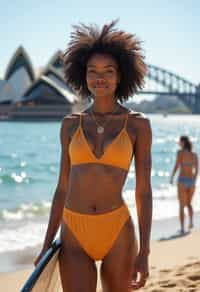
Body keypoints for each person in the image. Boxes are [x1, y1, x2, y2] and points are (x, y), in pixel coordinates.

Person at [35, 20, 152, 291]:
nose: (100, 78)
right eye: (93, 71)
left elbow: (144, 191)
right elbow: (62, 187)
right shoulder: (69, 124)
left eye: (108, 71)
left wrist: (144, 251)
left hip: (118, 231)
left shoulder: (137, 124)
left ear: (121, 75)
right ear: (83, 75)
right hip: (74, 232)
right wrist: (45, 245)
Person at [170, 135, 198, 234]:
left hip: (182, 181)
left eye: (180, 142)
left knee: (182, 205)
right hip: (191, 182)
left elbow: (176, 166)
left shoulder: (180, 153)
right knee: (189, 203)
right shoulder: (194, 155)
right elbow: (197, 170)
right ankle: (191, 223)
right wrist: (194, 181)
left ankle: (182, 228)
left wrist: (172, 177)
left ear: (183, 143)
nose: (179, 143)